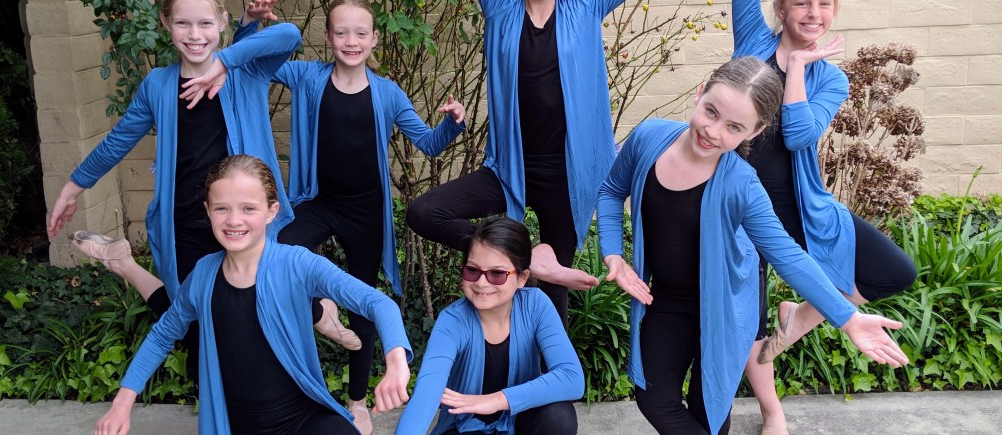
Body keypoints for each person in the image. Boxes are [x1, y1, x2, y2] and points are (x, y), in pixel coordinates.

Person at [596, 56, 909, 435]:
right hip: (664, 300)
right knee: (654, 399)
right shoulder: (649, 138)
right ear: (700, 93)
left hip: (726, 309)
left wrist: (849, 318)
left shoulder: (742, 184)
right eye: (711, 112)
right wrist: (613, 253)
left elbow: (788, 256)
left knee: (709, 412)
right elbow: (612, 190)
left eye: (733, 127)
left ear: (754, 131)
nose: (712, 132)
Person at [45, 0, 303, 383]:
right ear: (166, 23)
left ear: (222, 22)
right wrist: (73, 187)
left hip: (240, 223)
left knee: (251, 314)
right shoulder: (158, 85)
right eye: (183, 23)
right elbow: (119, 141)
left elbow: (289, 35)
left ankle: (124, 264)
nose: (195, 35)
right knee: (192, 325)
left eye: (205, 23)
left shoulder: (244, 71)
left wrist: (225, 60)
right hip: (185, 224)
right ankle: (214, 404)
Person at [88, 155, 413, 435]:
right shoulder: (204, 275)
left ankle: (325, 315)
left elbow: (377, 302)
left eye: (248, 208)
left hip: (303, 420)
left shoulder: (298, 264)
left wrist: (396, 359)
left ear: (272, 211)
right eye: (222, 208)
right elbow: (164, 333)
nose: (234, 220)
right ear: (208, 210)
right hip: (236, 425)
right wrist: (123, 402)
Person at [256, 0, 465, 431]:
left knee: (363, 306)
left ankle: (356, 401)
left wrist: (453, 123)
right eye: (341, 32)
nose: (351, 41)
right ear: (328, 37)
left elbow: (429, 143)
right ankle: (320, 312)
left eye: (360, 33)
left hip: (366, 213)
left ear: (374, 39)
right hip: (318, 201)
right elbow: (255, 64)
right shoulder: (307, 76)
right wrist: (250, 24)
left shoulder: (387, 92)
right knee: (272, 251)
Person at [731, 1, 919, 432]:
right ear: (780, 8)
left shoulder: (831, 79)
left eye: (824, 3)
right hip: (736, 209)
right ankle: (772, 412)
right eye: (801, 2)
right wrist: (793, 61)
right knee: (750, 321)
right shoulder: (753, 39)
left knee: (895, 271)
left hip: (800, 207)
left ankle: (800, 316)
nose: (813, 12)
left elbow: (799, 136)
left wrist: (798, 67)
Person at [405, 0, 630, 327]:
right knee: (424, 212)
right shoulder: (500, 8)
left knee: (553, 296)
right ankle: (520, 255)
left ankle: (553, 361)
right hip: (508, 171)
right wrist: (510, 250)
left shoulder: (586, 7)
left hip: (566, 179)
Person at [396, 217, 583, 435]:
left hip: (520, 421)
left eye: (497, 273)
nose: (481, 283)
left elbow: (572, 378)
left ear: (522, 278)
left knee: (559, 417)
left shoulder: (535, 305)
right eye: (472, 270)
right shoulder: (453, 320)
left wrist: (497, 400)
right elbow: (427, 392)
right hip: (465, 428)